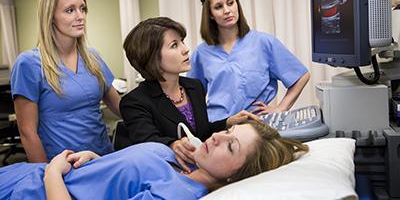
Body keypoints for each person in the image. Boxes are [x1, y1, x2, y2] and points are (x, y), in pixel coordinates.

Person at [0, 120, 309, 200]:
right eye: (228, 131)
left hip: (30, 190)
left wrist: (53, 172)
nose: (217, 137)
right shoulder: (184, 161)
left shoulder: (174, 193)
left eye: (230, 147)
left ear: (234, 177)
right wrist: (96, 162)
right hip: (27, 174)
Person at [120, 17, 259, 172]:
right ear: (152, 58)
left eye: (182, 41)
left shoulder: (194, 87)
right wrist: (172, 144)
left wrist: (228, 122)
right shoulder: (134, 102)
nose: (185, 49)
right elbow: (148, 142)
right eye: (174, 45)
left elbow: (201, 133)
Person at [10, 0, 121, 163]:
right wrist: (45, 176)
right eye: (70, 10)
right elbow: (28, 133)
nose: (80, 16)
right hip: (63, 166)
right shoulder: (29, 64)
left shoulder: (92, 58)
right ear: (50, 16)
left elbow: (119, 106)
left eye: (82, 9)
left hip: (102, 158)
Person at [188, 0, 311, 122]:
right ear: (210, 14)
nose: (227, 10)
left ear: (237, 5)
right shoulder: (201, 53)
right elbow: (191, 99)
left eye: (230, 3)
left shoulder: (263, 42)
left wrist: (280, 109)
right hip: (219, 128)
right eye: (218, 7)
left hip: (256, 126)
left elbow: (301, 76)